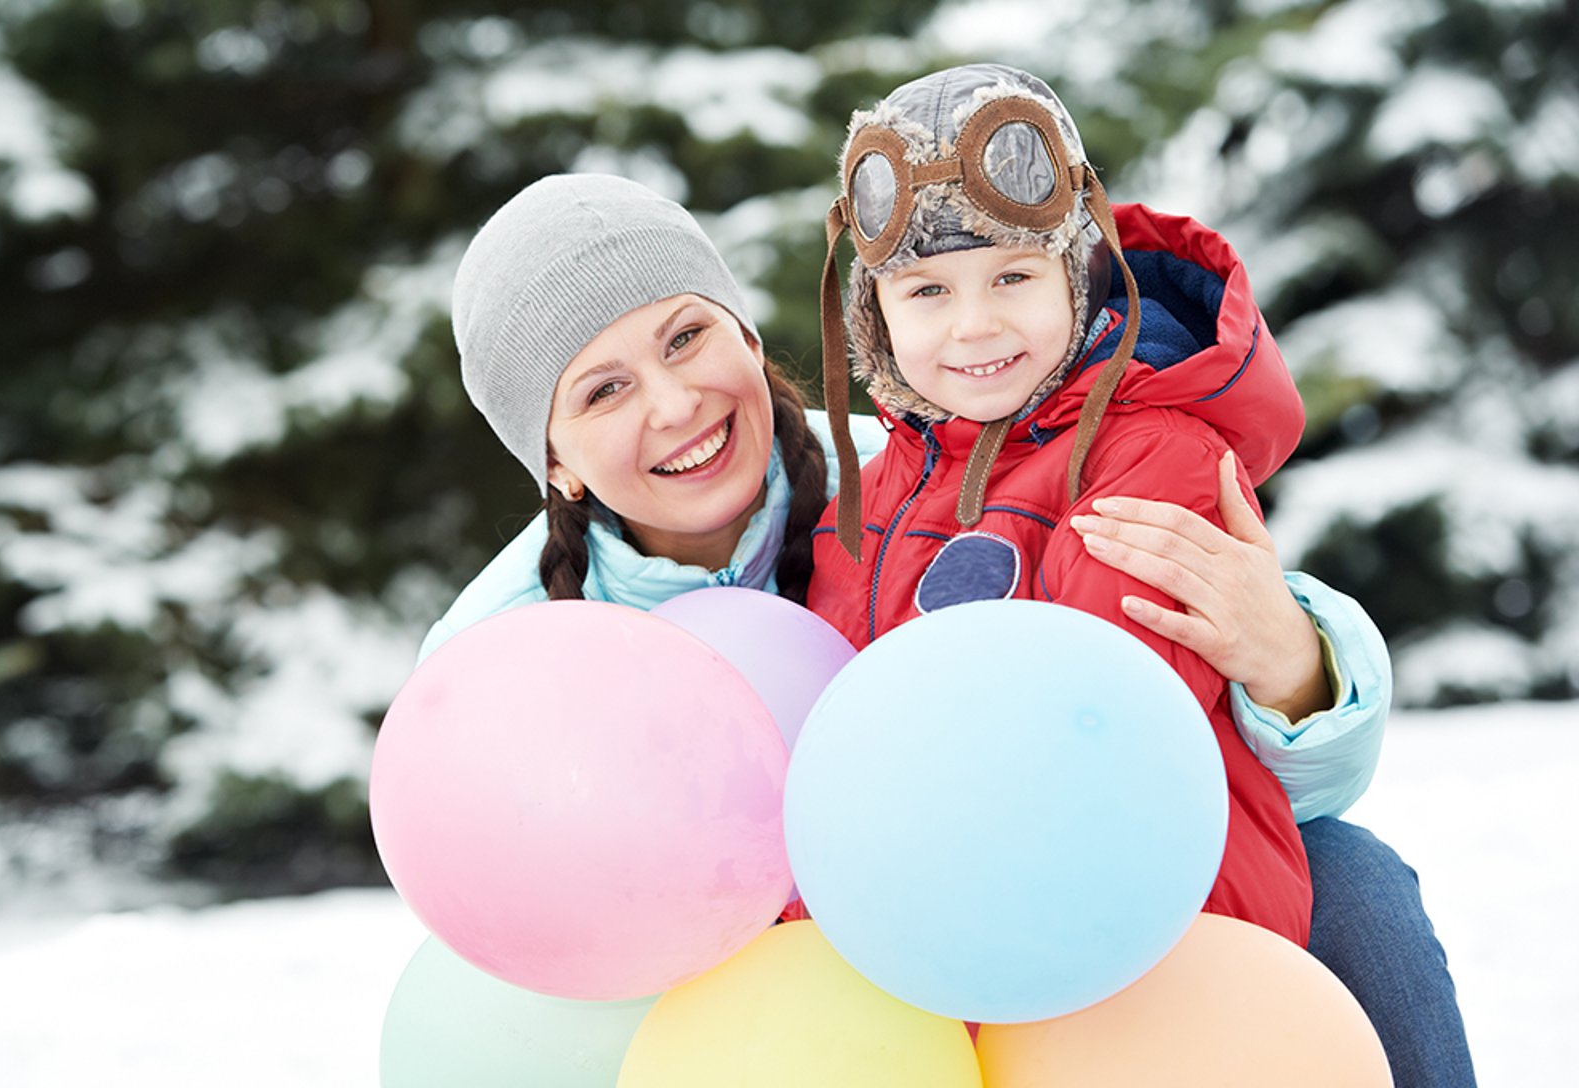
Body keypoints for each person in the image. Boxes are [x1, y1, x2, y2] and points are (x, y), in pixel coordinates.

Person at [426, 170, 1468, 1084]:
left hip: (1019, 882)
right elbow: (523, 936)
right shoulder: (511, 662)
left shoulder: (927, 464)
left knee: (1354, 877)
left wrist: (1292, 663)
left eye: (687, 336)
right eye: (603, 389)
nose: (674, 401)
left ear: (746, 335)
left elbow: (1199, 752)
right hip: (746, 991)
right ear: (551, 456)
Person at [811, 63, 1470, 1083]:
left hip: (1165, 936)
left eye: (1013, 277)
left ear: (1078, 271)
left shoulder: (1152, 451)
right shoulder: (863, 505)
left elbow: (1110, 719)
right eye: (928, 290)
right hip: (960, 951)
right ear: (874, 315)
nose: (974, 324)